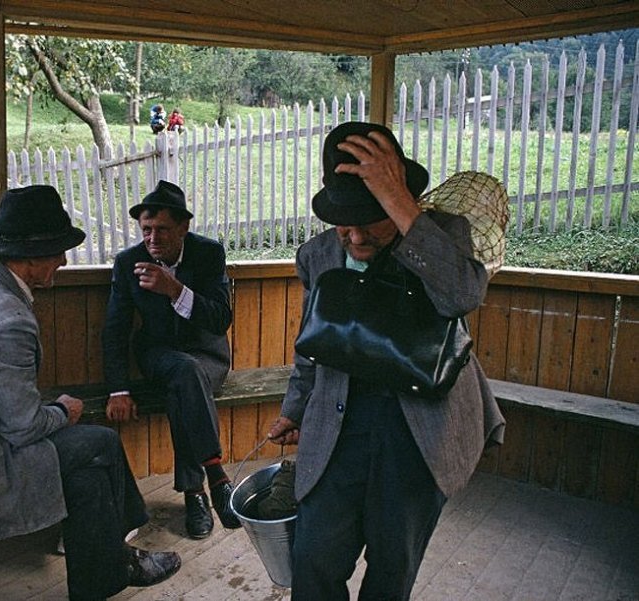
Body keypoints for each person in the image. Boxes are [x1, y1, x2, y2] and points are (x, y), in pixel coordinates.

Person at [0, 185, 181, 601]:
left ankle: (112, 564)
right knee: (99, 444)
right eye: (58, 251)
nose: (63, 261)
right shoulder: (6, 318)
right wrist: (62, 410)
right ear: (28, 257)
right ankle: (119, 558)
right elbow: (24, 428)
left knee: (88, 476)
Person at [267, 122, 506, 600]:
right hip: (339, 425)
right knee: (313, 559)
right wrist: (295, 408)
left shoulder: (442, 236)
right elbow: (312, 344)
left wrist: (401, 207)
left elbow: (463, 295)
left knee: (392, 569)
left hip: (415, 430)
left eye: (370, 216)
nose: (355, 235)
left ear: (399, 195)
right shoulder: (318, 255)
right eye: (343, 219)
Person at [102, 180, 242, 539]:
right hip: (158, 356)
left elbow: (220, 320)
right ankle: (217, 475)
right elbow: (115, 329)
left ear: (183, 227)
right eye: (146, 229)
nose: (152, 238)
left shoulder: (208, 254)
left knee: (186, 382)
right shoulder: (129, 261)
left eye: (162, 229)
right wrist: (118, 389)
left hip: (208, 356)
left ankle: (195, 492)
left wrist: (175, 289)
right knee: (182, 372)